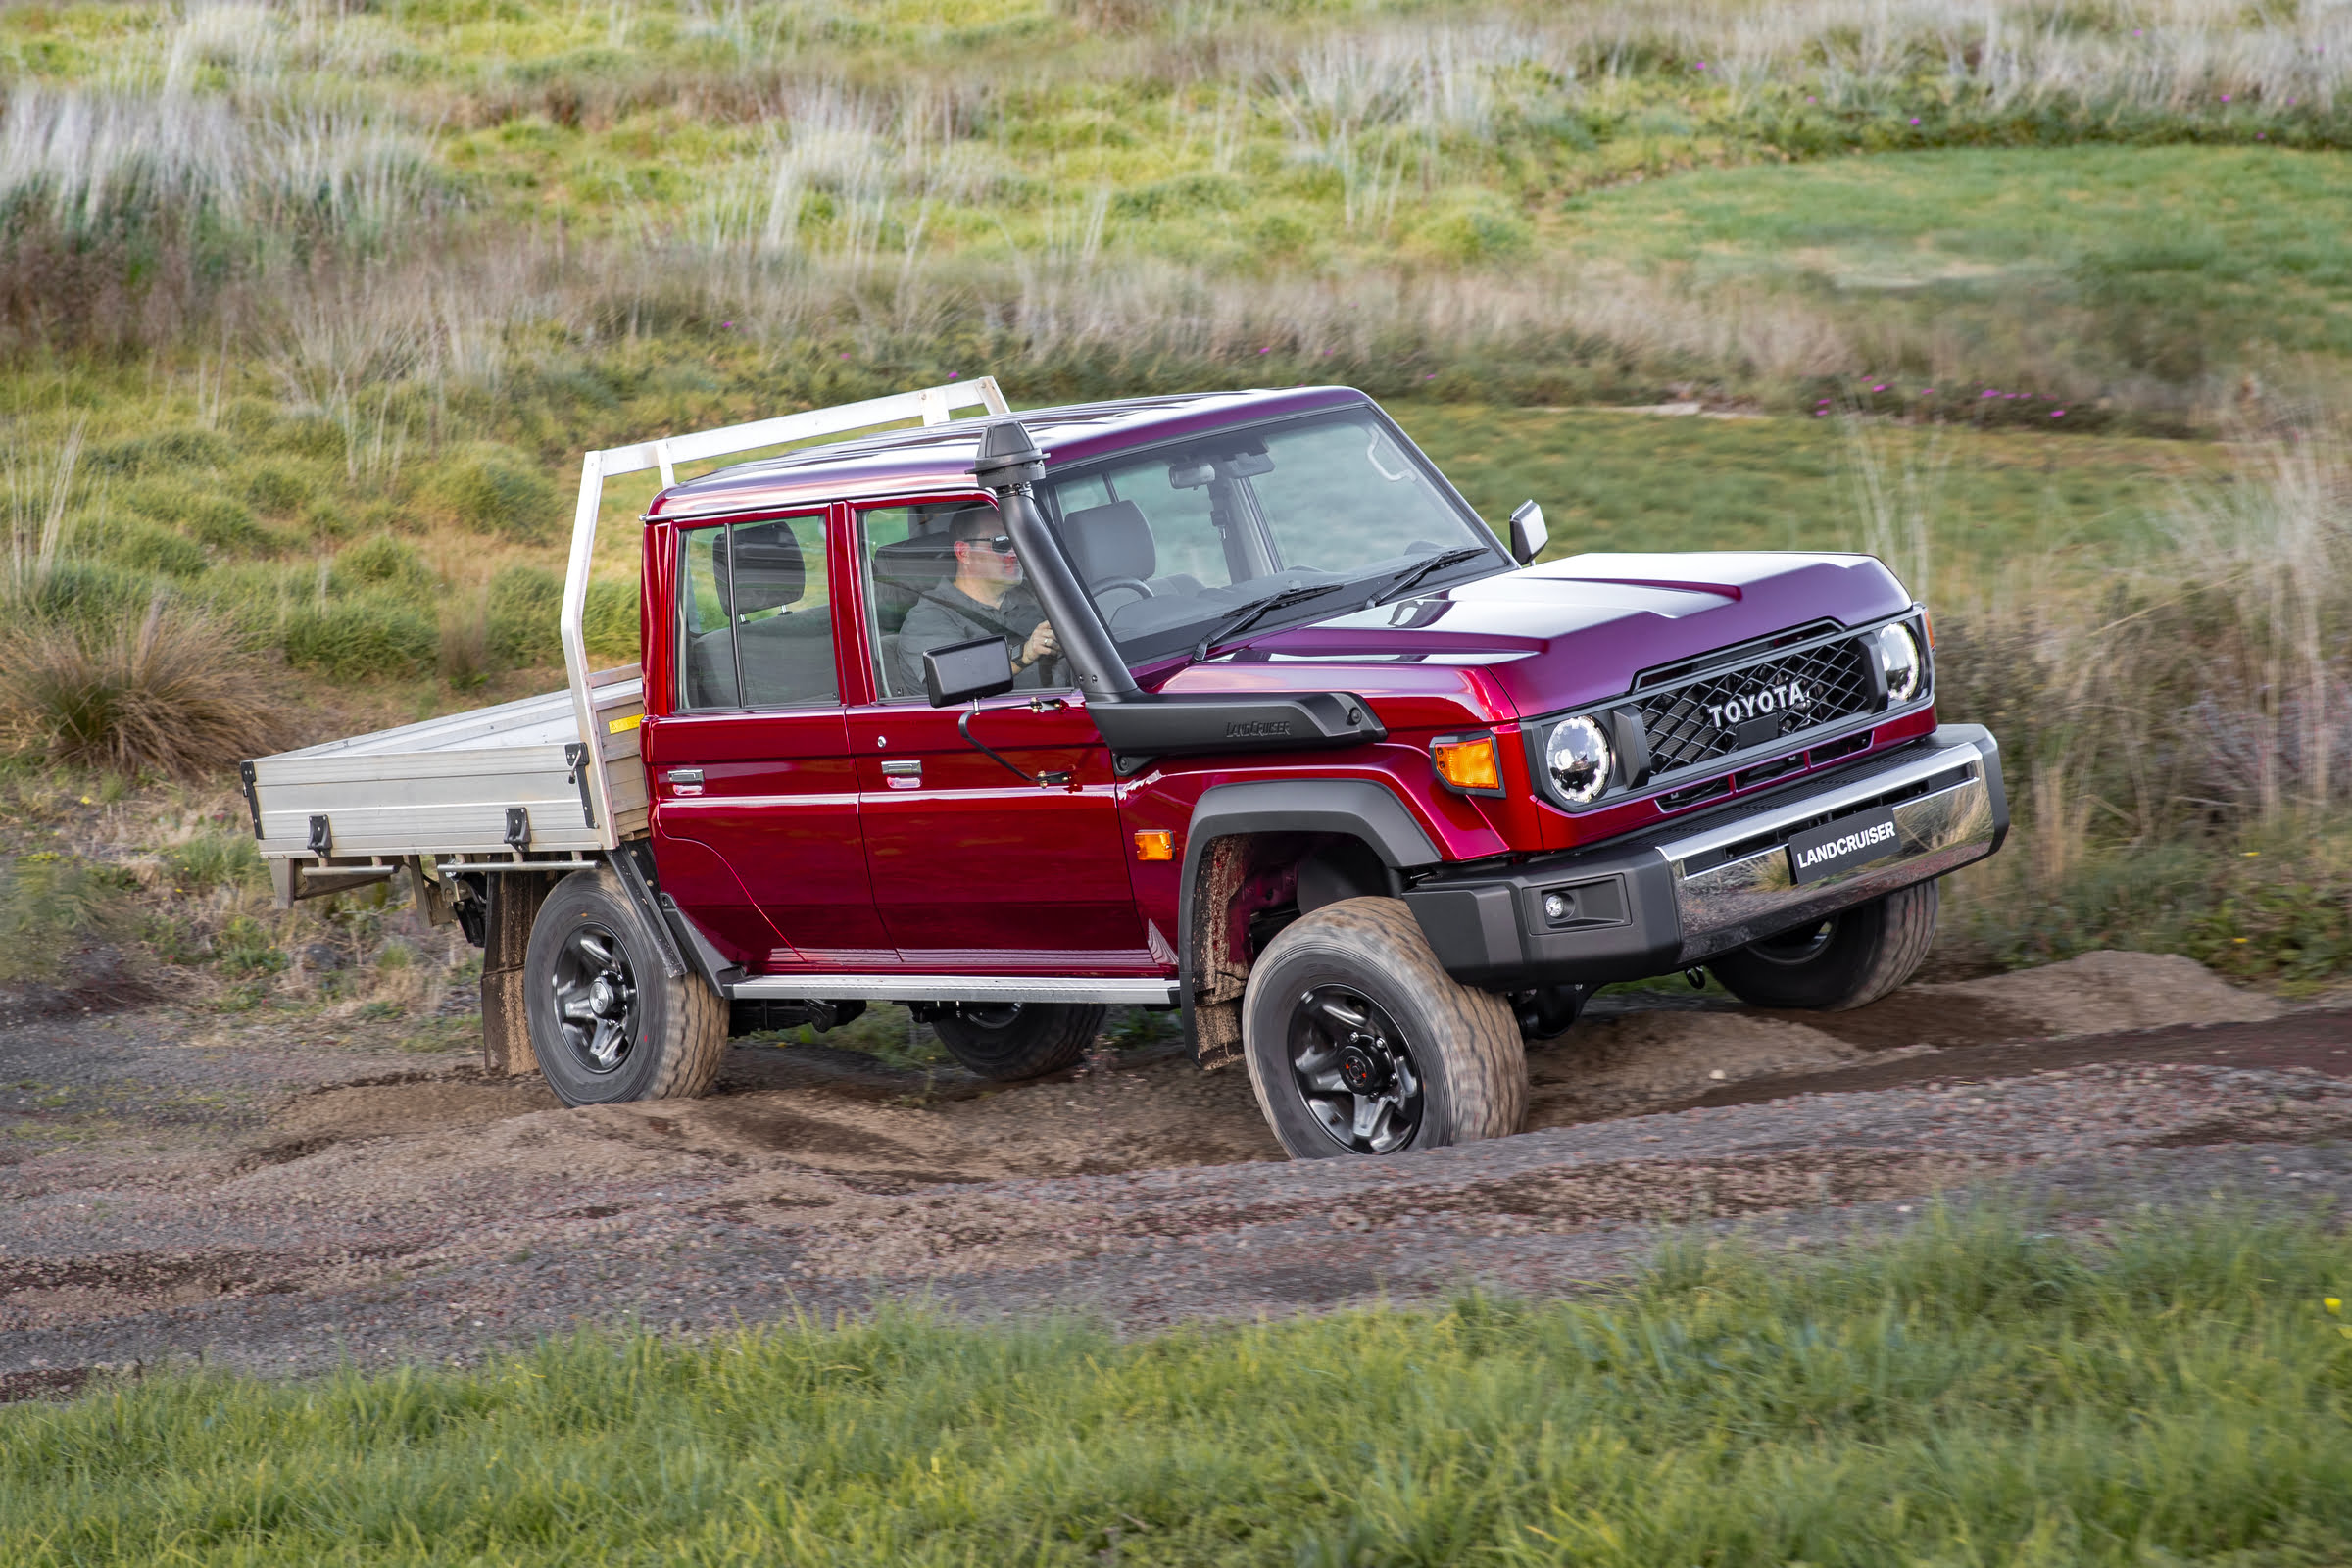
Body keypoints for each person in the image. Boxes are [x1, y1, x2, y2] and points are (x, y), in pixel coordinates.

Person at [895, 506, 1061, 695]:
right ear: (964, 553)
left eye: (1018, 539)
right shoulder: (926, 620)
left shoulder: (1037, 594)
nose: (1015, 552)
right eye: (1002, 542)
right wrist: (1025, 654)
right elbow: (954, 679)